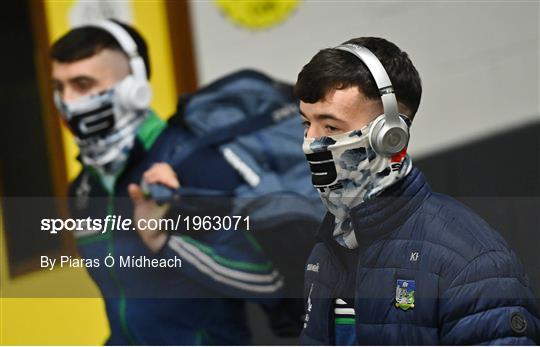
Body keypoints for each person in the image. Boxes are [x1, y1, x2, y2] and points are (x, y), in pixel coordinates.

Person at [51, 19, 288, 345]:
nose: (67, 101)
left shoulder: (193, 162)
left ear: (133, 90)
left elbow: (269, 282)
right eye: (59, 88)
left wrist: (168, 243)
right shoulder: (81, 189)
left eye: (82, 84)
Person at [295, 37, 540, 345]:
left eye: (330, 127)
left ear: (391, 136)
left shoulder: (472, 264)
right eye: (307, 124)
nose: (310, 142)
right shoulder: (331, 244)